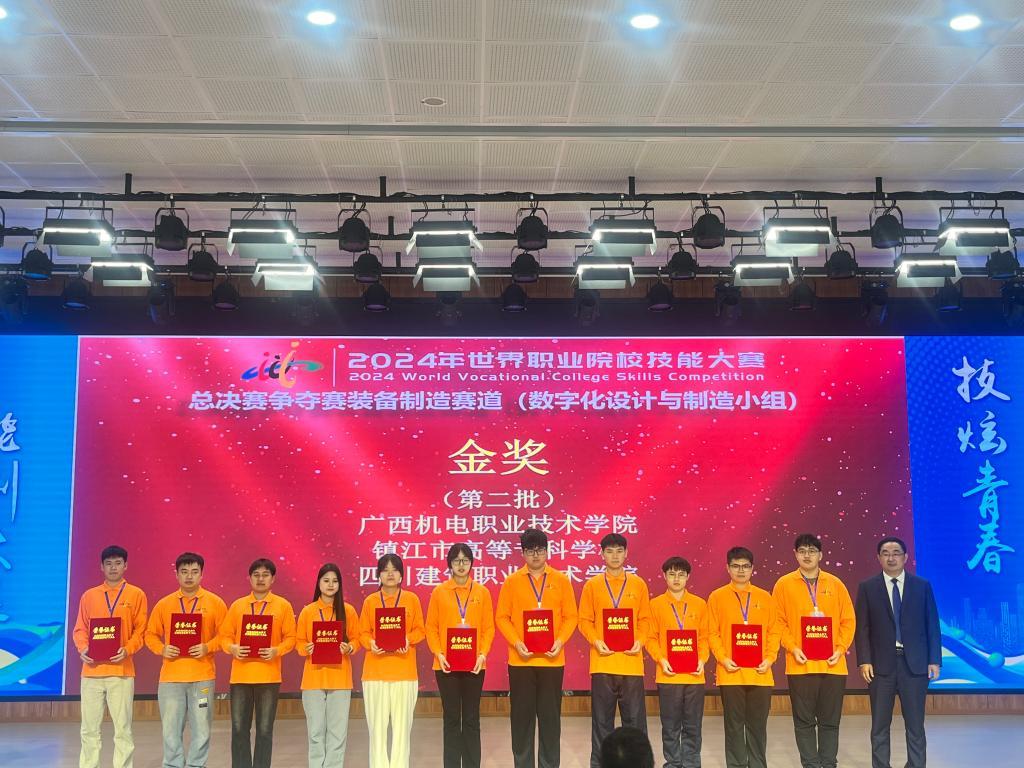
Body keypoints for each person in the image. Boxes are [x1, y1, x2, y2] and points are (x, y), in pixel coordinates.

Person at [855, 536, 941, 768]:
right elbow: (862, 628)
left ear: (905, 557)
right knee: (879, 725)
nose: (891, 558)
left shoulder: (921, 586)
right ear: (878, 558)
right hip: (880, 667)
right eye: (885, 553)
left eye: (896, 553)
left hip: (915, 666)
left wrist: (934, 660)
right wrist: (864, 660)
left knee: (915, 725)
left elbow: (932, 624)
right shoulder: (867, 587)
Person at [496, 528, 579, 768]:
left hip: (552, 660)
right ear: (523, 553)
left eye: (540, 550)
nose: (535, 555)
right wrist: (516, 642)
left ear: (547, 551)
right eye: (530, 550)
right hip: (520, 661)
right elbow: (502, 617)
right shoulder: (512, 582)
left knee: (550, 720)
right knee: (521, 720)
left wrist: (560, 641)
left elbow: (571, 616)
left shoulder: (561, 580)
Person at [772, 534, 855, 768]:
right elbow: (777, 622)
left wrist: (840, 648)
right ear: (795, 554)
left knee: (830, 721)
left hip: (833, 665)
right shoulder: (783, 584)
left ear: (821, 555)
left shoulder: (835, 584)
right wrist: (793, 647)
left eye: (812, 550)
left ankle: (828, 764)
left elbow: (848, 620)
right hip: (800, 665)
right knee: (804, 722)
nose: (807, 555)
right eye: (802, 551)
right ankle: (810, 764)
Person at [145, 551, 227, 768]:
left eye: (194, 571)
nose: (189, 576)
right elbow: (150, 635)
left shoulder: (215, 603)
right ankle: (172, 765)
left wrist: (208, 647)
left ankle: (196, 765)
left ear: (202, 574)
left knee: (202, 728)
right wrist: (162, 649)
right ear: (176, 574)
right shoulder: (165, 604)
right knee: (170, 730)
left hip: (203, 677)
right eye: (184, 572)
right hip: (171, 678)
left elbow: (226, 636)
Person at [579, 533, 652, 768]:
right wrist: (596, 641)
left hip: (631, 663)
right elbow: (584, 620)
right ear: (602, 554)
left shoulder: (638, 584)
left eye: (619, 551)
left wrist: (640, 641)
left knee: (635, 724)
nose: (615, 556)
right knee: (601, 723)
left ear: (626, 553)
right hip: (603, 662)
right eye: (609, 551)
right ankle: (599, 764)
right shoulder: (592, 585)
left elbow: (645, 619)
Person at [73, 544, 148, 768]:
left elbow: (140, 631)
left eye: (117, 563)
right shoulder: (89, 596)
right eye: (108, 563)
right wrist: (83, 648)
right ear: (101, 567)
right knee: (89, 729)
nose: (113, 567)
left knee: (123, 729)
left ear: (126, 566)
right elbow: (80, 629)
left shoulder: (136, 594)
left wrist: (128, 649)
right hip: (91, 673)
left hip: (121, 672)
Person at [219, 558, 297, 768]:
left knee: (264, 731)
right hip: (241, 677)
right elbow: (224, 636)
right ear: (249, 578)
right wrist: (233, 648)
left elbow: (291, 638)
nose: (260, 579)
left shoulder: (282, 605)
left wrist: (276, 651)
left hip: (269, 677)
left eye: (265, 575)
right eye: (256, 575)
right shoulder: (238, 606)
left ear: (273, 579)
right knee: (238, 730)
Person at [707, 546, 780, 768]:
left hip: (760, 673)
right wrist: (723, 658)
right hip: (731, 673)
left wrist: (769, 658)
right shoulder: (717, 597)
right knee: (734, 726)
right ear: (727, 568)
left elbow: (774, 632)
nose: (741, 570)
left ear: (752, 569)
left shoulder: (765, 597)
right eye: (736, 566)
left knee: (757, 726)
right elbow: (712, 633)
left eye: (746, 566)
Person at [426, 543, 496, 768]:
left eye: (465, 560)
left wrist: (483, 654)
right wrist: (439, 654)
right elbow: (431, 628)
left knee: (472, 719)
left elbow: (488, 628)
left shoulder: (482, 592)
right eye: (457, 560)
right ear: (450, 564)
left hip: (475, 665)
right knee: (452, 719)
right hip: (446, 665)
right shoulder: (439, 592)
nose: (461, 565)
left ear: (472, 563)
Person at [359, 554, 425, 768]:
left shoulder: (411, 599)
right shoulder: (370, 601)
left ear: (401, 575)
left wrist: (408, 639)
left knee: (402, 731)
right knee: (376, 731)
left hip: (404, 673)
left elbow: (420, 630)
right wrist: (370, 643)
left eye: (394, 570)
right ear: (378, 575)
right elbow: (362, 633)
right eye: (385, 570)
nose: (390, 574)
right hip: (375, 673)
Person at [645, 557, 709, 768]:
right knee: (670, 725)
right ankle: (672, 763)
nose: (676, 579)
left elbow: (704, 638)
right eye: (671, 574)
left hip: (694, 676)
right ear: (664, 576)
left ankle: (691, 763)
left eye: (681, 574)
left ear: (688, 577)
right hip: (668, 675)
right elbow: (650, 638)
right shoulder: (655, 605)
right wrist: (661, 659)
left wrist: (702, 659)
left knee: (693, 725)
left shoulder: (699, 604)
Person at [296, 563, 361, 768]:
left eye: (335, 581)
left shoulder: (348, 611)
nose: (330, 585)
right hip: (313, 680)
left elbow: (357, 640)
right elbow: (299, 643)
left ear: (340, 584)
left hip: (340, 679)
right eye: (326, 580)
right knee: (315, 732)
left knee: (337, 732)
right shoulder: (308, 611)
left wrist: (349, 647)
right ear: (318, 583)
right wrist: (306, 648)